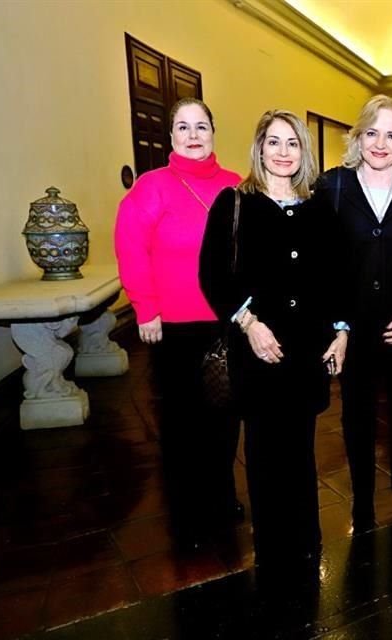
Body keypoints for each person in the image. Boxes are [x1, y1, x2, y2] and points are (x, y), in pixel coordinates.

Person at [199, 109, 348, 574]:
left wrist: (342, 331)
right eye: (274, 142)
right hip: (258, 348)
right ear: (259, 148)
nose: (283, 152)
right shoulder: (234, 204)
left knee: (302, 449)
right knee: (264, 451)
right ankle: (272, 547)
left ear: (303, 152)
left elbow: (338, 275)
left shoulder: (320, 207)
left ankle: (307, 542)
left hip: (306, 352)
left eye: (293, 144)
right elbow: (212, 275)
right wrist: (249, 323)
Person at [114, 97, 242, 547]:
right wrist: (144, 307)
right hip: (172, 326)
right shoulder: (152, 187)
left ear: (213, 132)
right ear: (170, 137)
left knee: (225, 416)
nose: (193, 135)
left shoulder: (236, 186)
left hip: (225, 323)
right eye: (183, 127)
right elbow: (130, 247)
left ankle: (222, 497)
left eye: (201, 126)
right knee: (182, 420)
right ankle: (186, 506)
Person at [316, 95, 392, 533]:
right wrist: (339, 325)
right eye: (372, 133)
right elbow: (323, 265)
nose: (381, 143)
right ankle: (362, 503)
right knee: (356, 414)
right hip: (352, 326)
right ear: (358, 136)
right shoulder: (331, 188)